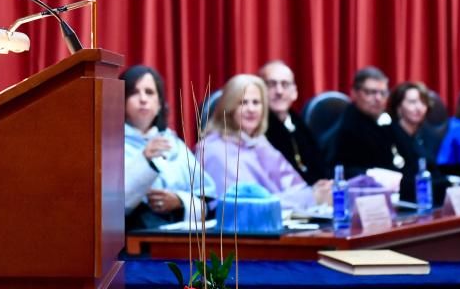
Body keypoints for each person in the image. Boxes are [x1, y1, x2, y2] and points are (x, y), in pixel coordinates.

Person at [199, 74, 331, 210]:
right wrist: (311, 197)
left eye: (256, 103)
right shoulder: (215, 149)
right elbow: (245, 206)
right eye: (243, 103)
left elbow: (295, 186)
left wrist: (316, 191)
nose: (251, 109)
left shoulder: (259, 143)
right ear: (229, 108)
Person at [122, 65, 215, 230]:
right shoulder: (109, 145)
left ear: (159, 104)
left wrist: (179, 201)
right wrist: (144, 160)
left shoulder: (174, 144)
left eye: (149, 92)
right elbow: (110, 208)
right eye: (134, 92)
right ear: (120, 101)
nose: (143, 99)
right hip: (132, 242)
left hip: (180, 240)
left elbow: (208, 203)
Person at [258, 60, 327, 184]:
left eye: (285, 84)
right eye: (271, 84)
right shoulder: (255, 128)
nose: (279, 91)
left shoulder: (299, 125)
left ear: (294, 92)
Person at [330, 67, 406, 178]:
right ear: (354, 93)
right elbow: (342, 170)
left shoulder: (386, 120)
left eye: (383, 93)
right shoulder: (347, 127)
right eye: (371, 92)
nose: (378, 98)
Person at [388, 82, 450, 203]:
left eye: (423, 102)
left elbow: (437, 171)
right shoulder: (387, 135)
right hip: (402, 200)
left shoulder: (429, 135)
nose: (419, 108)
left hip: (431, 198)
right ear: (398, 107)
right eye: (412, 102)